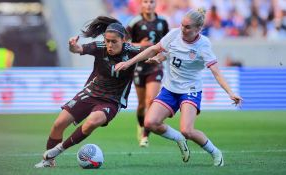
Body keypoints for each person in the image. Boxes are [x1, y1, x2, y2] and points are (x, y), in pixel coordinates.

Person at [115, 8, 243, 166]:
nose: (183, 29)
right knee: (150, 123)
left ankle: (215, 152)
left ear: (198, 29)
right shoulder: (174, 34)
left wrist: (230, 92)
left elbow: (216, 72)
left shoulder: (204, 45)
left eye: (187, 27)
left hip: (190, 90)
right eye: (182, 25)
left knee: (187, 130)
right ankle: (179, 139)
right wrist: (129, 63)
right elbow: (154, 49)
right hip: (169, 89)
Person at [34, 16, 142, 168]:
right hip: (91, 92)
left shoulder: (132, 51)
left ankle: (58, 150)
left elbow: (154, 50)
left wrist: (158, 57)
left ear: (123, 40)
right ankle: (48, 162)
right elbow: (77, 49)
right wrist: (72, 45)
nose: (109, 45)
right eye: (107, 40)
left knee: (92, 122)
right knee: (59, 124)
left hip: (112, 100)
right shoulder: (99, 47)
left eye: (114, 41)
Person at [126, 0, 169, 147]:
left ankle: (145, 135)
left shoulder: (163, 22)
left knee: (150, 101)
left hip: (155, 66)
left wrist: (161, 54)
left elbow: (168, 43)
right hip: (139, 66)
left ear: (155, 4)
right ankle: (140, 124)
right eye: (146, 2)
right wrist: (141, 45)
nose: (149, 4)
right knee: (141, 105)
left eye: (151, 2)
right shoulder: (134, 22)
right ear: (141, 5)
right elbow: (123, 43)